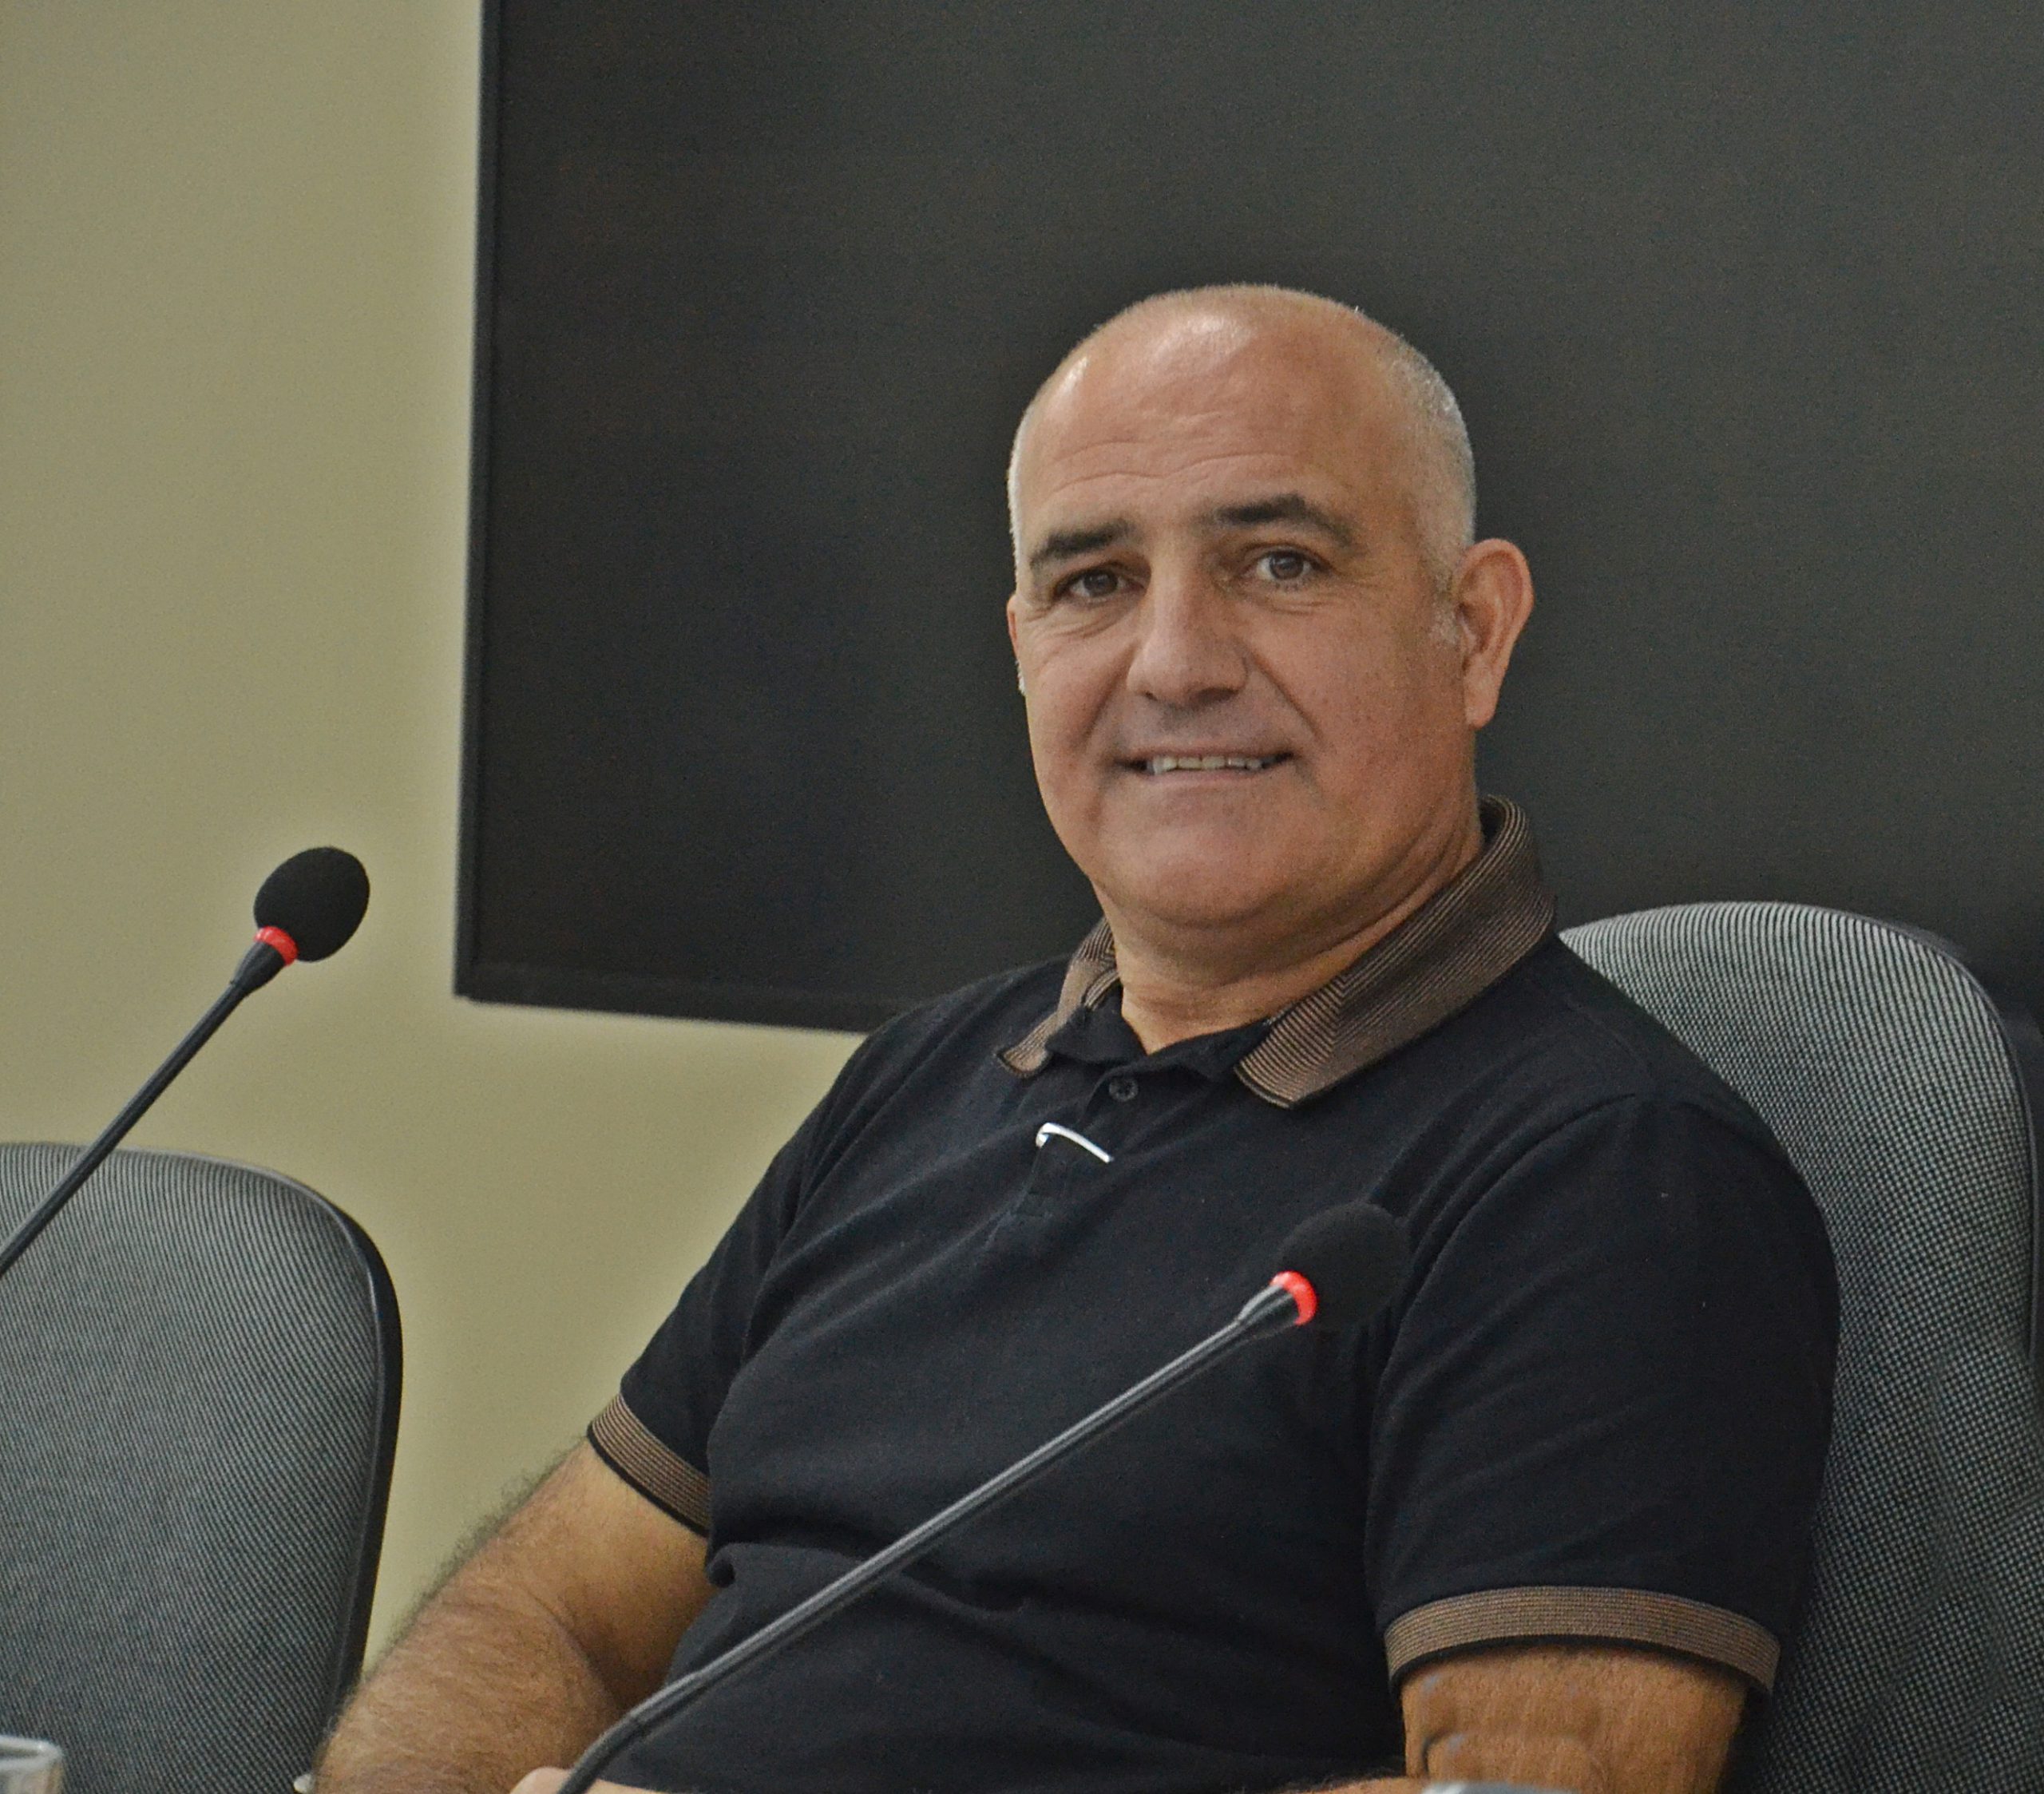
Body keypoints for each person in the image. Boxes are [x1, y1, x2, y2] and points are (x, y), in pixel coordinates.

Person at [318, 287, 1836, 1794]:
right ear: (1023, 647)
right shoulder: (926, 1075)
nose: (1175, 662)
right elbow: (548, 1614)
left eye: (1280, 563)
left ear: (1474, 631)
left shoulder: (1610, 1173)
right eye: (1095, 583)